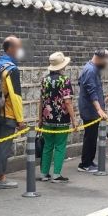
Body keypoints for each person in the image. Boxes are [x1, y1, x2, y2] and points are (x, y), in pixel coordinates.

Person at [0, 36, 26, 190]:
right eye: (19, 47)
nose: (21, 51)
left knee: (0, 144)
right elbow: (15, 97)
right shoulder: (11, 69)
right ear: (10, 49)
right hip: (7, 112)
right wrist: (20, 120)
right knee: (5, 146)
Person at [38, 52, 77, 183]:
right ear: (62, 66)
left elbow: (41, 101)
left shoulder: (45, 80)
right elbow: (68, 102)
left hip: (47, 118)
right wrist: (74, 119)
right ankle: (56, 174)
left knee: (48, 145)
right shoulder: (64, 80)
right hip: (62, 119)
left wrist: (40, 119)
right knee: (60, 146)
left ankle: (44, 173)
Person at [78, 49, 108, 172]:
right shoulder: (90, 70)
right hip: (90, 110)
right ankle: (85, 164)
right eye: (106, 59)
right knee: (90, 137)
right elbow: (91, 91)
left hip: (91, 109)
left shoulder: (92, 68)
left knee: (92, 136)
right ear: (100, 58)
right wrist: (99, 109)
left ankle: (89, 161)